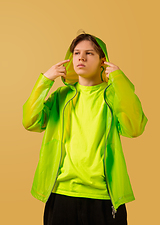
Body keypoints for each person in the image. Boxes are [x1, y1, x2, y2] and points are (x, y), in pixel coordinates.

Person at [22, 32, 148, 225]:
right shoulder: (61, 97)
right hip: (60, 193)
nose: (81, 57)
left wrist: (119, 80)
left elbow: (134, 128)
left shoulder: (113, 96)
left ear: (102, 61)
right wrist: (45, 80)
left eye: (89, 53)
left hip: (104, 196)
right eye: (76, 53)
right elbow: (30, 121)